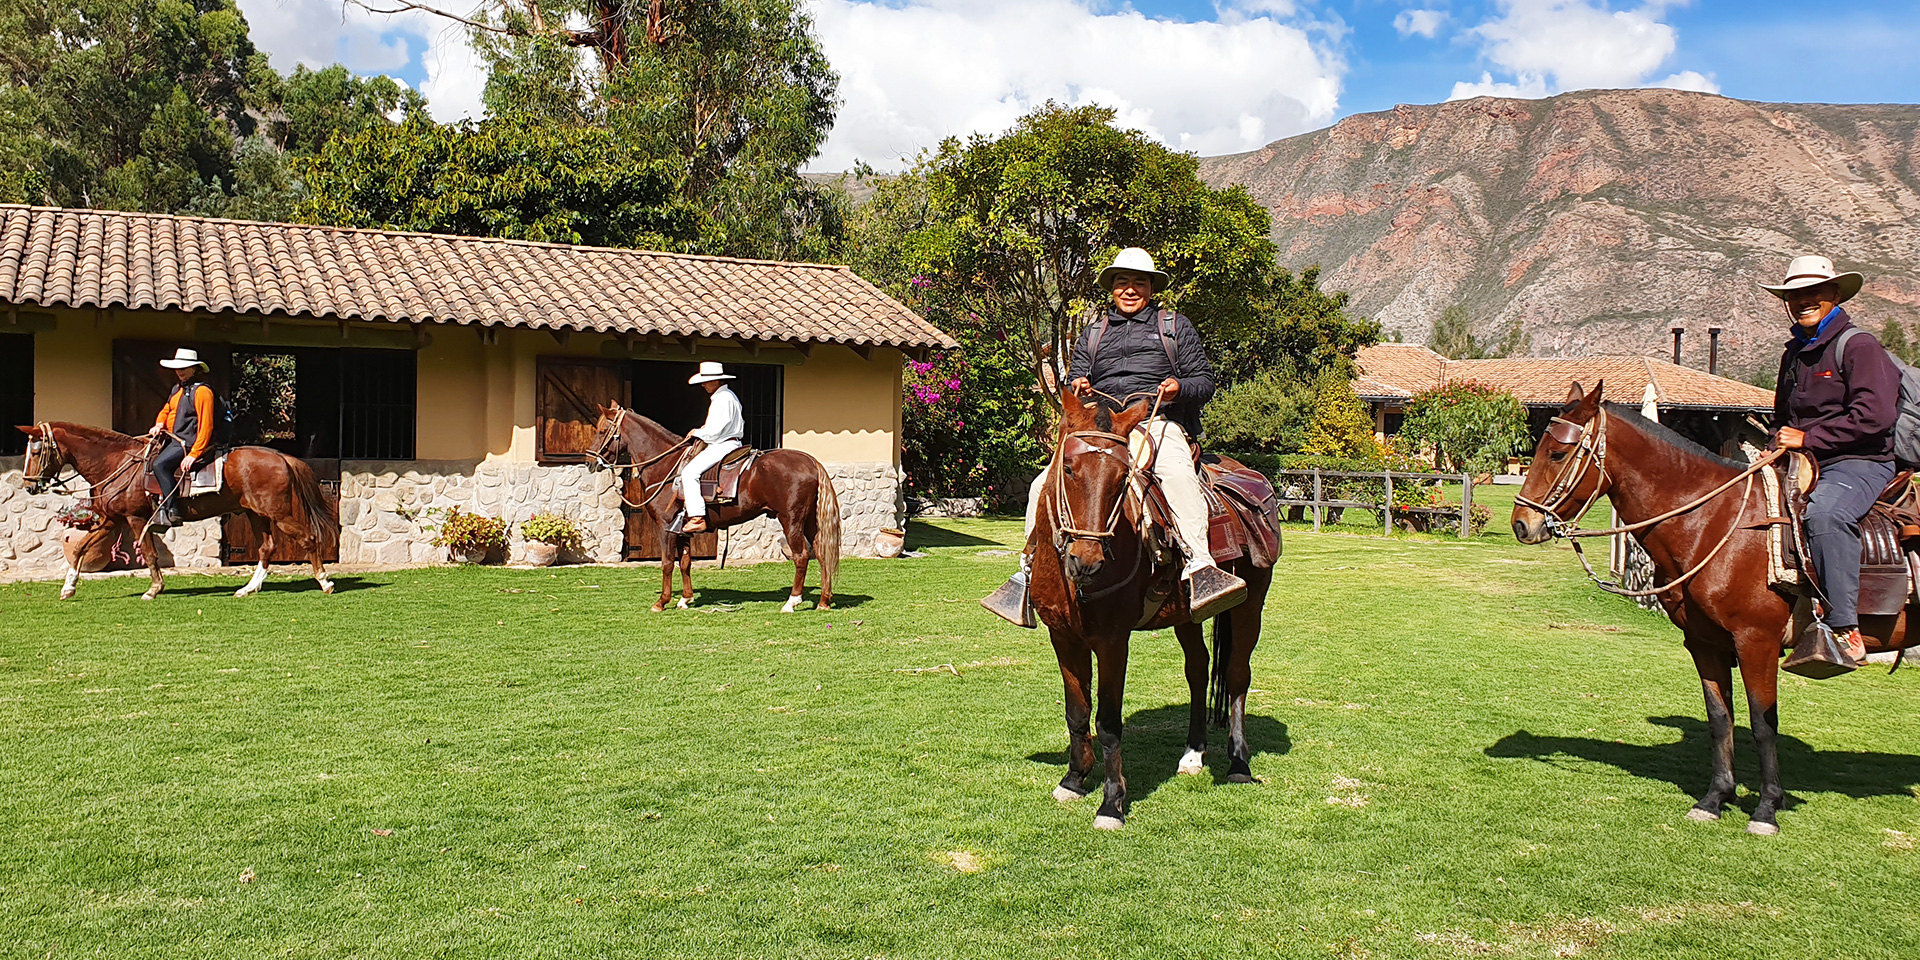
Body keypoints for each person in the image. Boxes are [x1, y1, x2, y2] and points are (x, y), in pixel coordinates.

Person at [985, 247, 1247, 626]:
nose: (1129, 290)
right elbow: (1075, 378)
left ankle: (1200, 566)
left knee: (1175, 475)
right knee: (1042, 483)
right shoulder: (1093, 334)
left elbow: (1204, 381)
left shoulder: (1174, 327)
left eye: (1139, 282)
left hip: (1155, 420)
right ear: (1112, 288)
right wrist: (1079, 385)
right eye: (1122, 282)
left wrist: (1178, 388)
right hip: (1102, 426)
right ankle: (1026, 573)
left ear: (1151, 287)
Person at [1767, 254, 1900, 668]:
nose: (1803, 300)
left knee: (1825, 515)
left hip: (1859, 461)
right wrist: (1779, 442)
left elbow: (1876, 416)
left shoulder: (1859, 346)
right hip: (1802, 460)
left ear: (1835, 294)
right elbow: (1780, 419)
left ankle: (1845, 628)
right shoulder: (1794, 354)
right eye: (1794, 295)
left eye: (1813, 292)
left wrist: (1809, 437)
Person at [146, 348, 220, 528]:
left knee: (159, 465)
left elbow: (206, 425)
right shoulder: (177, 390)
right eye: (178, 367)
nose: (180, 371)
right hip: (174, 439)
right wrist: (159, 423)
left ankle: (173, 509)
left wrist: (194, 453)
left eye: (185, 367)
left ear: (194, 369)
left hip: (188, 441)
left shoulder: (202, 392)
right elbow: (167, 409)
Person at [679, 361, 745, 533]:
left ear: (716, 381)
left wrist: (697, 432)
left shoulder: (723, 399)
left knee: (689, 473)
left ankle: (697, 517)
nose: (703, 385)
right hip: (728, 442)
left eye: (706, 381)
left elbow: (715, 431)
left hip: (723, 444)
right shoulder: (727, 397)